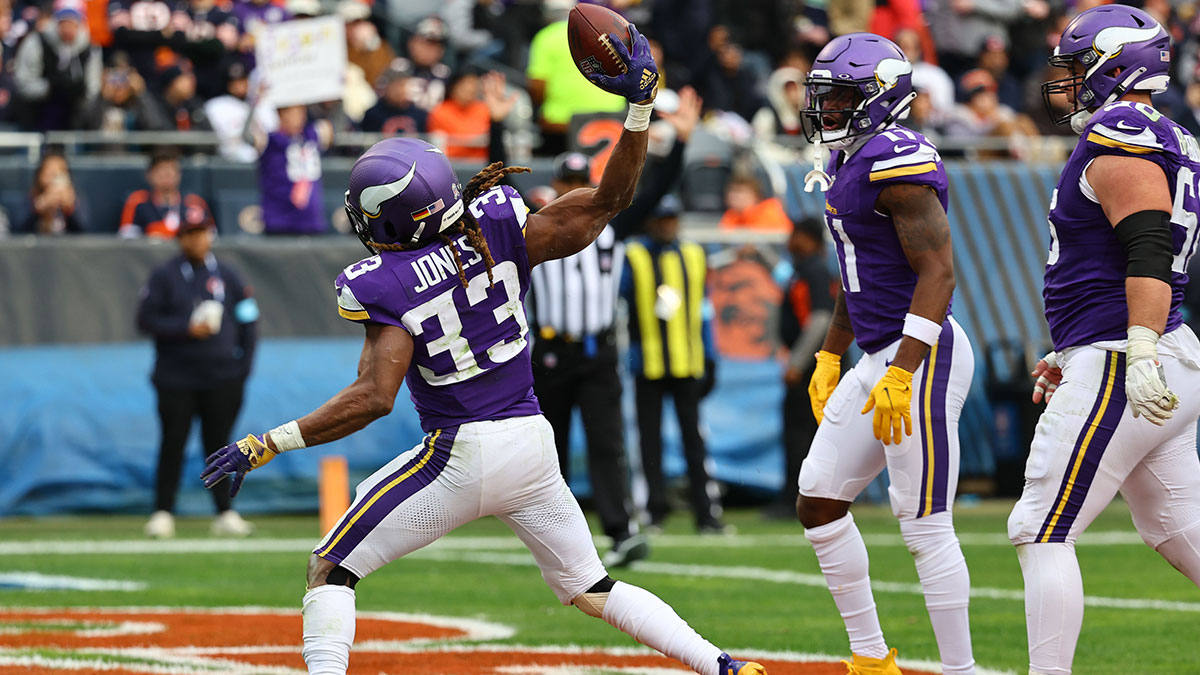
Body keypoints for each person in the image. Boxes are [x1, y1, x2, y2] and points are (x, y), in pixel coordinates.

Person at [200, 26, 766, 675]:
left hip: (461, 452)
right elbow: (611, 200)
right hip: (530, 440)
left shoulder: (381, 282)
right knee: (592, 586)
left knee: (331, 567)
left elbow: (374, 397)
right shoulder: (500, 226)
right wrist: (638, 109)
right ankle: (722, 664)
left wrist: (265, 442)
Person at [1009, 7, 1200, 674]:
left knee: (1039, 527)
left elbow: (1147, 245)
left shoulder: (1123, 129)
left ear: (1116, 66)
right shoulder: (1161, 131)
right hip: (1142, 348)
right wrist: (1072, 348)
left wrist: (1137, 344)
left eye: (1075, 66)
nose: (1063, 80)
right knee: (1179, 528)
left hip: (1130, 354)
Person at [797, 33, 975, 675]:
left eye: (842, 97)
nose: (830, 109)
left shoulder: (897, 159)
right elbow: (857, 274)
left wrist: (902, 369)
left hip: (921, 353)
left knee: (923, 522)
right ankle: (872, 661)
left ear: (881, 96)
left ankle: (960, 670)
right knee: (818, 497)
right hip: (878, 352)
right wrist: (830, 353)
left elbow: (939, 274)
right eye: (827, 97)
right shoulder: (855, 160)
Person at [138, 206, 257, 539]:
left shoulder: (229, 274)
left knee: (220, 445)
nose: (198, 239)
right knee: (173, 443)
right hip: (177, 377)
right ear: (180, 238)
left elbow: (249, 319)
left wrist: (243, 367)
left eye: (203, 231)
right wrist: (184, 329)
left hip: (222, 377)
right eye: (191, 233)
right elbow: (145, 320)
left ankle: (224, 512)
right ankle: (163, 511)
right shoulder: (165, 275)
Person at [621, 194, 724, 534]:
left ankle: (706, 514)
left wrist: (711, 356)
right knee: (649, 443)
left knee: (694, 441)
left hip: (687, 362)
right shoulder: (633, 255)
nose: (667, 225)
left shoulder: (694, 255)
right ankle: (654, 513)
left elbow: (704, 310)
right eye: (661, 219)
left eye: (671, 219)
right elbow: (618, 304)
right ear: (650, 221)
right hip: (647, 364)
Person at [772, 217, 834, 517]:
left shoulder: (814, 271)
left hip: (813, 368)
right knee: (801, 433)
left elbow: (821, 320)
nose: (790, 240)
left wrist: (797, 362)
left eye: (795, 234)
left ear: (809, 239)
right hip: (812, 365)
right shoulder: (803, 271)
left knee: (802, 434)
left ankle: (798, 499)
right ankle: (801, 497)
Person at [12, 0, 100, 131]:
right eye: (63, 23)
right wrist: (50, 88)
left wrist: (79, 93)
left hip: (75, 115)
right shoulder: (37, 42)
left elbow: (93, 87)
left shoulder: (89, 48)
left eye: (72, 24)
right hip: (38, 112)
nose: (67, 29)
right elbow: (24, 82)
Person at [246, 101, 333, 234]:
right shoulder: (270, 140)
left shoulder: (312, 134)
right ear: (280, 114)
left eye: (301, 112)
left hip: (310, 219)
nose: (299, 117)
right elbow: (247, 137)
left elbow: (331, 129)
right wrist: (255, 103)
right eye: (293, 112)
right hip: (279, 218)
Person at [119, 148, 213, 238]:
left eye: (172, 169)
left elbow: (211, 238)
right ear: (149, 174)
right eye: (161, 169)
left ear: (179, 174)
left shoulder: (194, 203)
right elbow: (127, 240)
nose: (167, 174)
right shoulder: (138, 202)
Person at [426, 72, 490, 161]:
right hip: (452, 165)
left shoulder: (484, 109)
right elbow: (438, 146)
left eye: (474, 85)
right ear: (454, 87)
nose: (470, 89)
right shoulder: (440, 112)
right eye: (465, 85)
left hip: (482, 165)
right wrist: (472, 142)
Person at [20, 150, 84, 235]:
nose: (55, 176)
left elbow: (84, 231)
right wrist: (38, 207)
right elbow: (18, 231)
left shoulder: (75, 199)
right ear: (39, 175)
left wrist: (70, 209)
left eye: (60, 171)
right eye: (49, 172)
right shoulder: (31, 197)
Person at [718, 175, 792, 233]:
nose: (735, 196)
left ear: (756, 197)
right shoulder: (730, 216)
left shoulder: (769, 212)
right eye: (732, 191)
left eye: (740, 192)